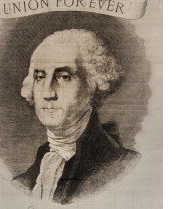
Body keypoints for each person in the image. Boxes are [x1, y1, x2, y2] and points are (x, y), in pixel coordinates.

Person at [13, 29, 139, 204]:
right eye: (40, 77)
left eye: (64, 77)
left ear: (93, 84)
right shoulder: (22, 183)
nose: (48, 92)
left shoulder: (126, 169)